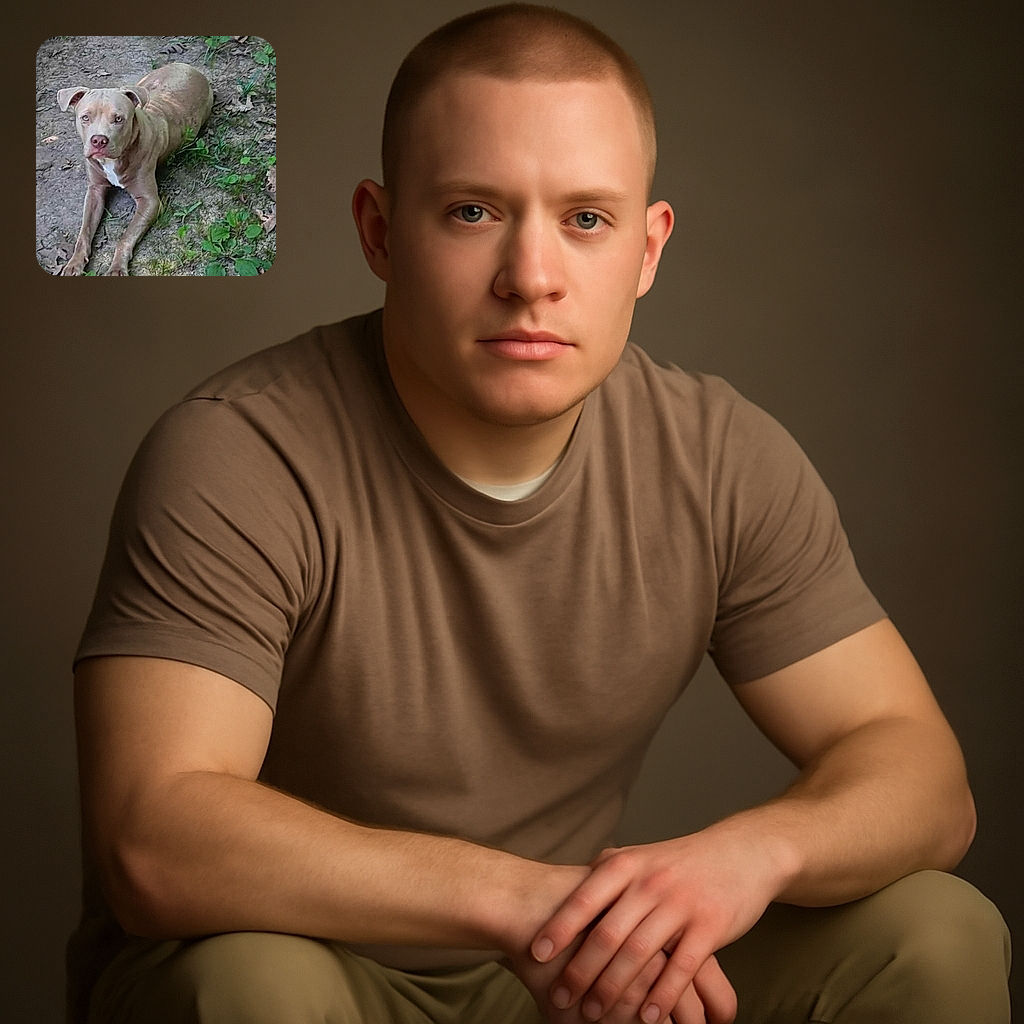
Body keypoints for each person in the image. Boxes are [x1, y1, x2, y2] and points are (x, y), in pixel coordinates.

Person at [67, 5, 1011, 1023]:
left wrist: (748, 856)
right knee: (252, 986)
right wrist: (527, 900)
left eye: (585, 219)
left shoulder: (720, 456)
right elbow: (154, 839)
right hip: (308, 972)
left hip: (559, 986)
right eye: (473, 212)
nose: (531, 279)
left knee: (933, 930)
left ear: (647, 251)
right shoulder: (237, 453)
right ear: (381, 233)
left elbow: (920, 778)